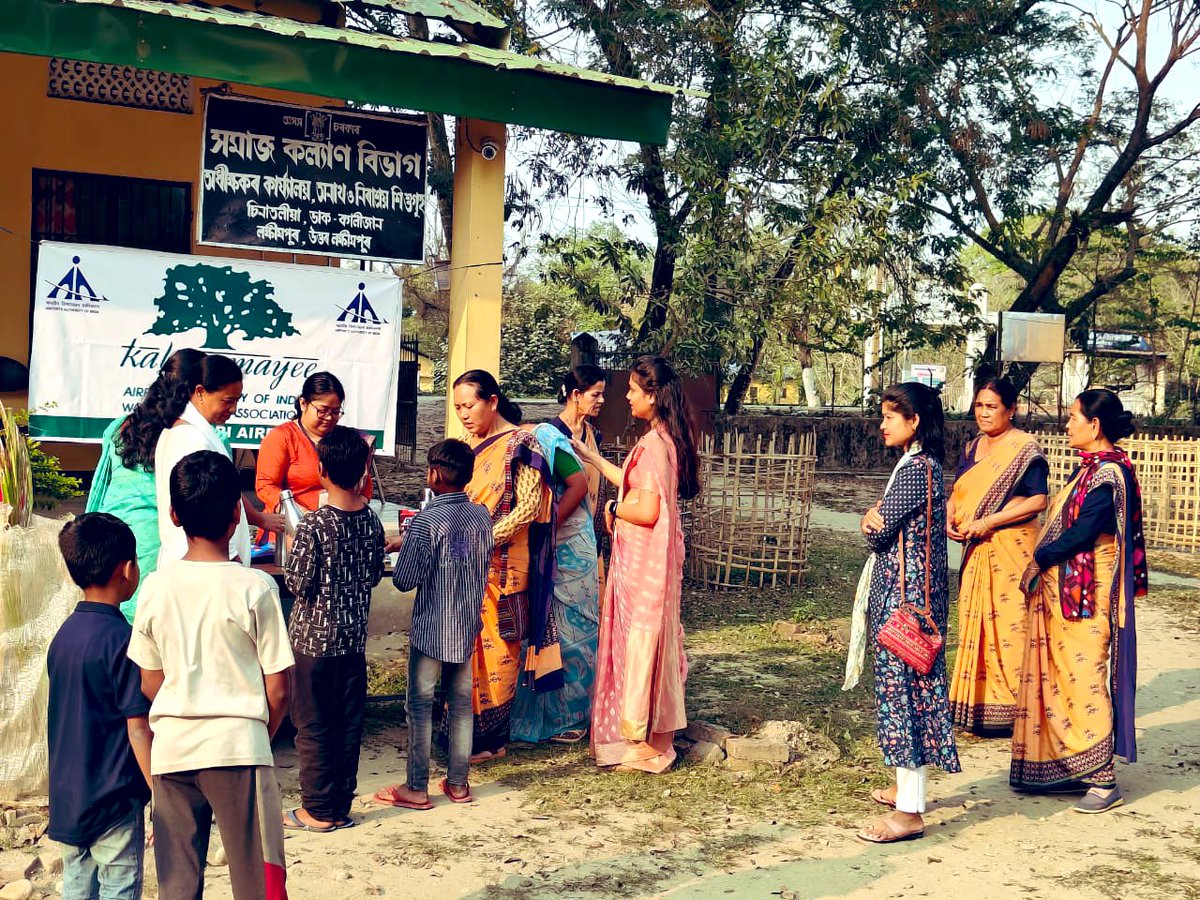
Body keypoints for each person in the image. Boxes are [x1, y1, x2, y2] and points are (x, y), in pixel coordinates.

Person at [128, 451, 294, 899]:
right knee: (258, 881)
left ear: (174, 514)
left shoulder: (154, 588)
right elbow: (279, 688)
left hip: (173, 751)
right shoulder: (255, 587)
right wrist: (259, 731)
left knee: (177, 884)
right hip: (240, 746)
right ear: (237, 514)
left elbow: (149, 681)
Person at [1011, 389, 1146, 814]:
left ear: (1095, 425)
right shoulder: (1089, 470)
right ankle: (1069, 766)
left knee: (1084, 677)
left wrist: (1039, 557)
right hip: (1071, 587)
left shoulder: (1110, 475)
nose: (1066, 424)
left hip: (1090, 593)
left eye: (1072, 417)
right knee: (1062, 677)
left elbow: (1083, 533)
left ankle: (1104, 782)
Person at [571, 356, 699, 774]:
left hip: (643, 563)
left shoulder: (654, 447)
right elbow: (631, 484)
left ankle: (643, 740)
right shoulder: (662, 440)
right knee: (650, 641)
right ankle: (649, 736)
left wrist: (611, 507)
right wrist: (589, 455)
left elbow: (644, 510)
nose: (625, 397)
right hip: (651, 562)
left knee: (641, 643)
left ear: (652, 395)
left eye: (631, 390)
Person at [856, 382, 960, 843]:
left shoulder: (917, 470)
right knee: (911, 695)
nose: (882, 424)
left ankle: (910, 813)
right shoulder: (926, 467)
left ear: (914, 421)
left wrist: (870, 519)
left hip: (905, 607)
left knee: (904, 700)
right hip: (919, 600)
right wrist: (871, 515)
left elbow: (880, 533)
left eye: (890, 417)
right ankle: (905, 788)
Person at [373, 440, 494, 810]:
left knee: (421, 705)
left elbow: (404, 580)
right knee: (459, 704)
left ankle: (416, 786)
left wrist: (406, 545)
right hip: (466, 624)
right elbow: (461, 556)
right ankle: (458, 783)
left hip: (431, 628)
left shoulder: (426, 522)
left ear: (434, 475)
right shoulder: (481, 516)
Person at [282, 425, 386, 832]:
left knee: (312, 727)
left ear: (321, 470)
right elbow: (376, 575)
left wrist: (292, 550)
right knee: (347, 725)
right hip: (353, 643)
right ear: (364, 472)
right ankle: (339, 805)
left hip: (313, 645)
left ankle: (318, 810)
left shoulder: (313, 525)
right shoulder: (371, 522)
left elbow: (296, 583)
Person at [452, 369, 557, 761]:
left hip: (504, 565)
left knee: (498, 648)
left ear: (492, 401)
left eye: (470, 405)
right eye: (458, 407)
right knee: (463, 645)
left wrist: (483, 537)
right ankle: (458, 729)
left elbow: (529, 506)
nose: (464, 414)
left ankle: (491, 738)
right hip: (463, 566)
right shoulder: (464, 445)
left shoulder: (522, 442)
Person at [49, 513, 153, 900]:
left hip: (68, 796)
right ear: (127, 570)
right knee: (120, 886)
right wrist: (159, 790)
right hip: (114, 799)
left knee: (76, 887)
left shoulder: (63, 637)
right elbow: (137, 727)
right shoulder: (124, 640)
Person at [947, 377, 1049, 734]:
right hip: (976, 549)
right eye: (979, 406)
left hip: (1012, 547)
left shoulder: (1025, 449)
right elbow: (959, 492)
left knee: (1011, 626)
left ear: (1011, 410)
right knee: (975, 622)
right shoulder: (972, 447)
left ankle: (1013, 711)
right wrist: (950, 515)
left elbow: (1038, 500)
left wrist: (988, 521)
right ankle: (976, 707)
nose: (984, 413)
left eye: (992, 406)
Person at [511, 365, 605, 745]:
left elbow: (587, 488)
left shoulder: (590, 436)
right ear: (573, 393)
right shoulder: (548, 435)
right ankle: (556, 717)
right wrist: (550, 528)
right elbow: (575, 486)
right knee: (558, 628)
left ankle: (579, 713)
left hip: (581, 541)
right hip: (561, 540)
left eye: (602, 393)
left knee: (582, 627)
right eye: (594, 393)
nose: (601, 400)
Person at [86, 347, 205, 623]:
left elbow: (99, 490)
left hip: (110, 548)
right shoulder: (200, 437)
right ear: (199, 391)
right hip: (163, 551)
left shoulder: (120, 427)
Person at [153, 354, 284, 567]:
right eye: (227, 401)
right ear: (200, 393)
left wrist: (258, 519)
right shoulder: (191, 438)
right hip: (204, 566)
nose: (233, 409)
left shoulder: (195, 432)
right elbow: (208, 509)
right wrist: (232, 561)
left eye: (237, 400)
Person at [255, 371, 374, 513]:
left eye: (336, 412)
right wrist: (299, 516)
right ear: (303, 403)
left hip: (339, 524)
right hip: (291, 525)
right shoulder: (282, 437)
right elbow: (266, 486)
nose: (329, 418)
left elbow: (365, 482)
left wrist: (354, 510)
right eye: (322, 410)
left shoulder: (344, 440)